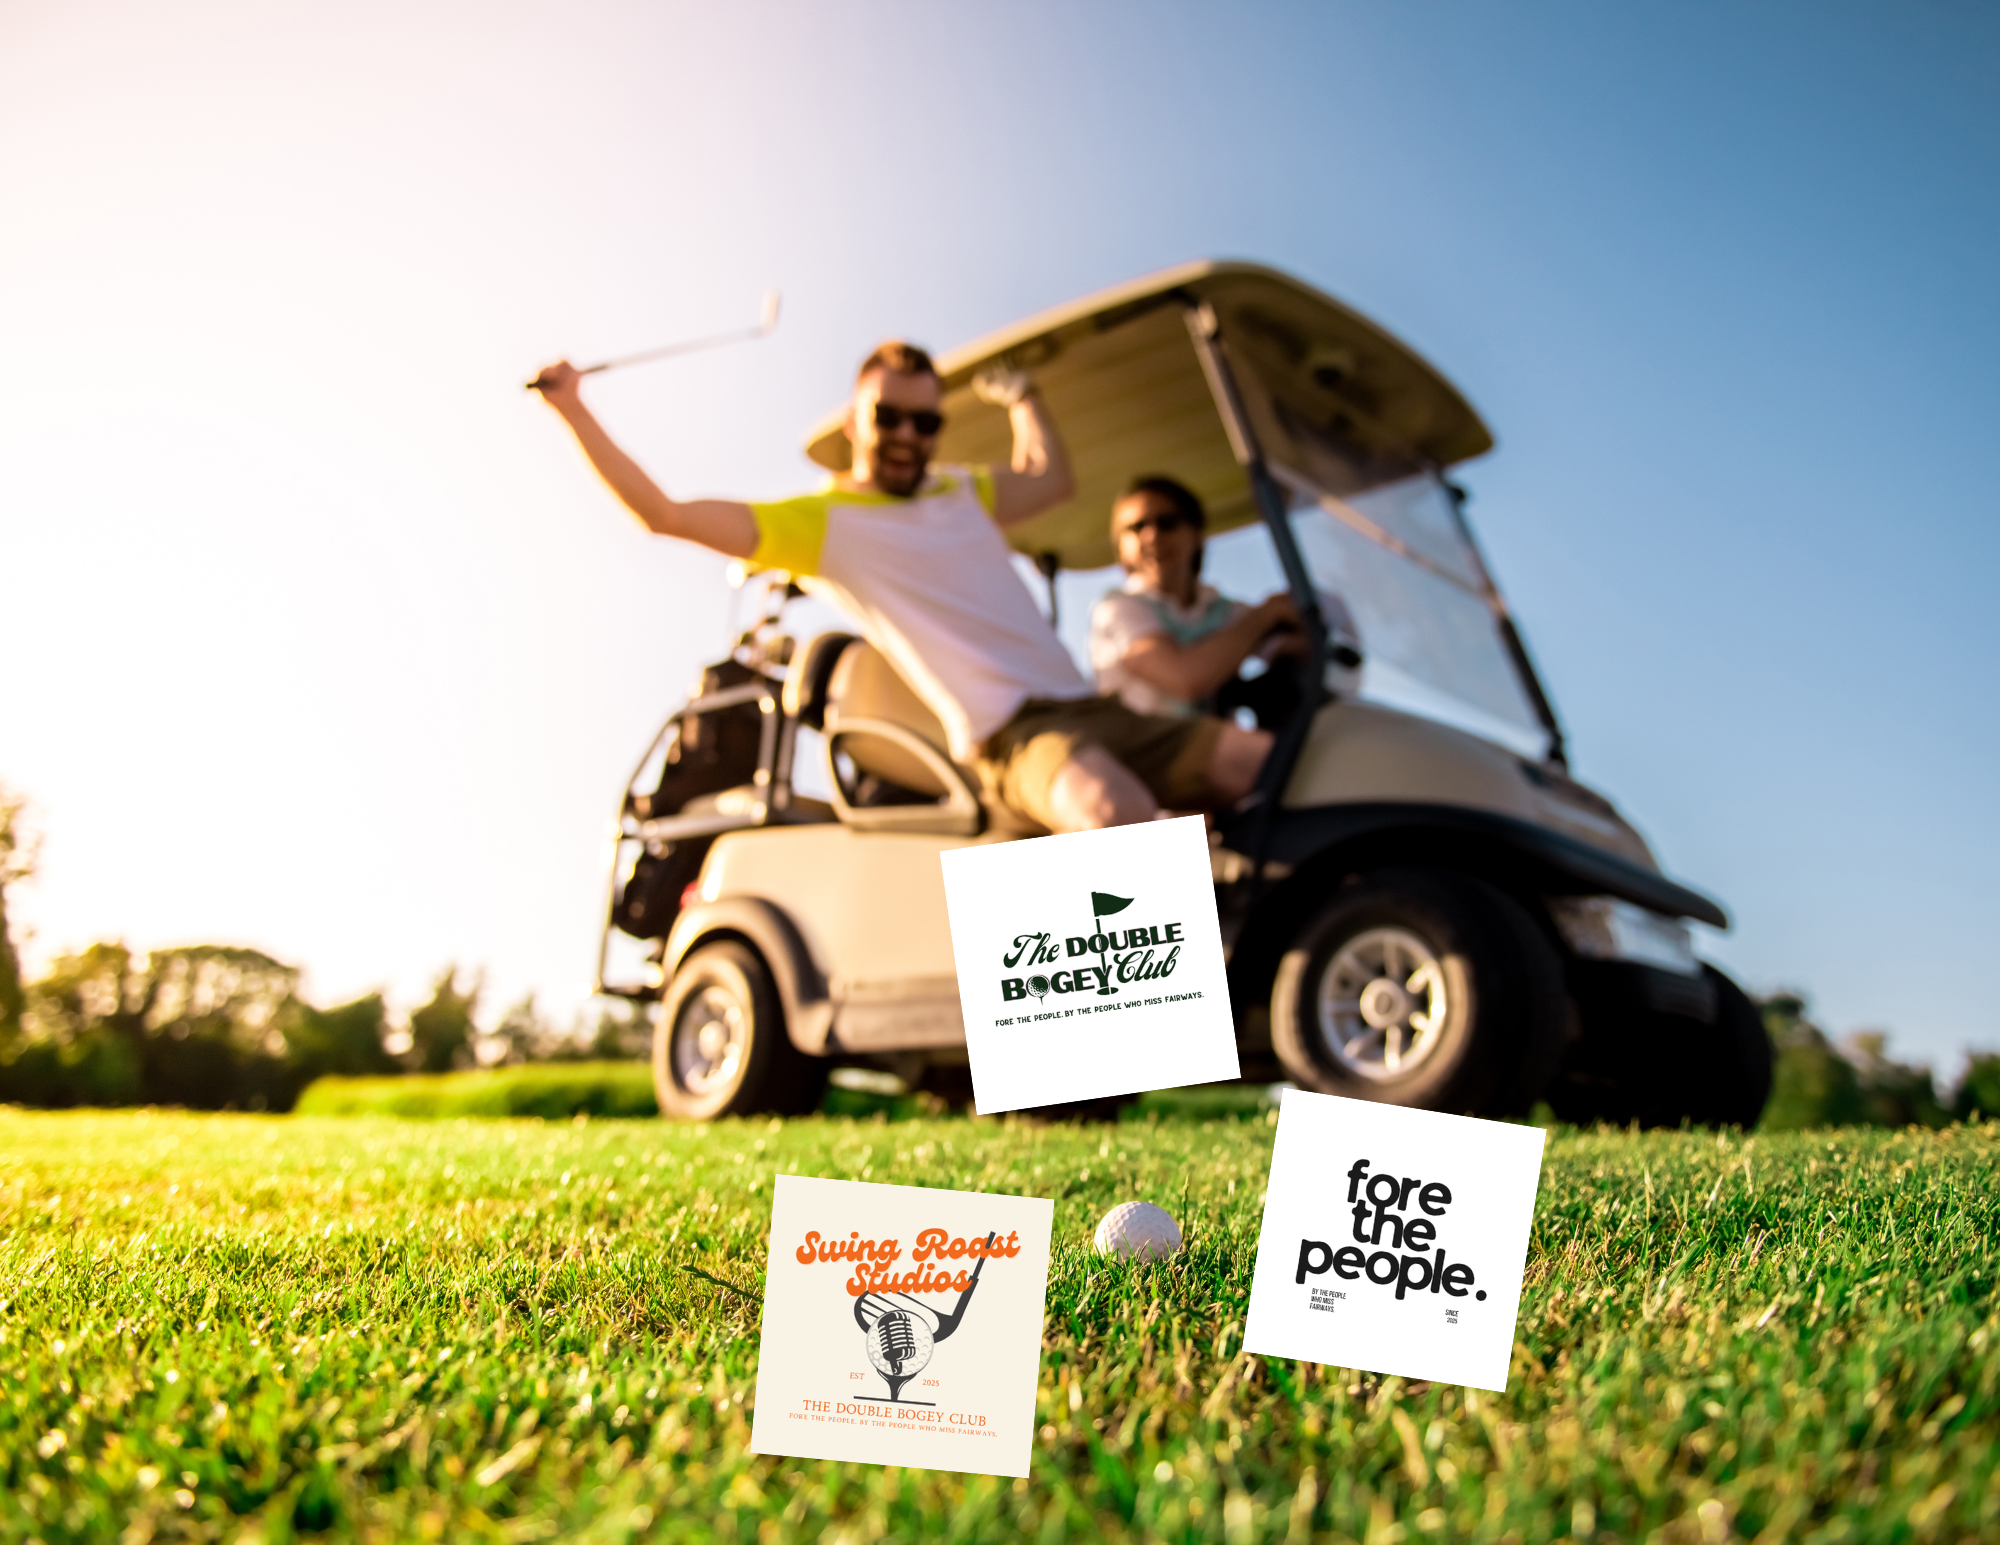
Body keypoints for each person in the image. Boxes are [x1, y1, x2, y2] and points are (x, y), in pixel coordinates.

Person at [529, 342, 1276, 832]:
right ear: (857, 418)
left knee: (1264, 761)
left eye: (926, 422)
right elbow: (663, 514)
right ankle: (1120, 1058)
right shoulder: (823, 523)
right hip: (1016, 738)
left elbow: (1049, 478)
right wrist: (571, 406)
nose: (909, 437)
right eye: (890, 418)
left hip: (1094, 708)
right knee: (1119, 812)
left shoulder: (958, 489)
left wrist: (1023, 398)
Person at [1090, 475, 1306, 725]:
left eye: (1167, 523)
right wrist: (1267, 614)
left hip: (1227, 755)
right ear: (1121, 548)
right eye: (1136, 527)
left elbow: (1291, 645)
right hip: (1146, 761)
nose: (1152, 536)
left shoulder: (1222, 610)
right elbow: (1184, 680)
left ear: (1196, 533)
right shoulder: (1117, 609)